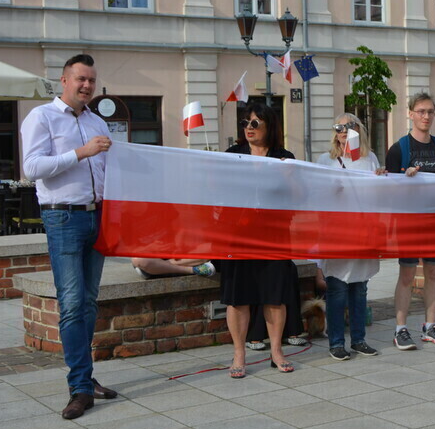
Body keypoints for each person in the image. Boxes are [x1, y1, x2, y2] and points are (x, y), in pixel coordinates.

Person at [20, 54, 117, 420]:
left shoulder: (96, 121)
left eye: (91, 80)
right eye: (80, 79)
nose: (87, 86)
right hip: (63, 218)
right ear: (63, 80)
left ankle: (86, 378)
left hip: (98, 217)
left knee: (89, 302)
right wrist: (81, 152)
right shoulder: (41, 117)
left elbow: (109, 168)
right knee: (73, 302)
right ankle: (79, 386)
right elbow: (31, 168)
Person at [218, 102, 300, 376]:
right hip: (238, 234)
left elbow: (297, 197)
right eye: (245, 123)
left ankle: (276, 351)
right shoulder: (233, 154)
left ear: (269, 125)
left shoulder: (284, 156)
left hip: (274, 234)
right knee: (238, 297)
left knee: (275, 296)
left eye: (255, 122)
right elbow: (220, 191)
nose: (248, 127)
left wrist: (290, 179)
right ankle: (239, 354)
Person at [384, 92, 435, 349]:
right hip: (409, 222)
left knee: (434, 273)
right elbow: (389, 189)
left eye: (430, 112)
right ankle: (400, 328)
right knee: (407, 275)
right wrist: (406, 179)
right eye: (421, 111)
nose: (426, 116)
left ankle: (430, 326)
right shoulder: (399, 148)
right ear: (410, 113)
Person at [315, 114, 384, 361]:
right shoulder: (326, 160)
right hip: (337, 232)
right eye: (339, 126)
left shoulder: (369, 159)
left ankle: (359, 340)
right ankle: (336, 342)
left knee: (360, 288)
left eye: (349, 125)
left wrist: (381, 178)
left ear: (359, 130)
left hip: (362, 231)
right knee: (337, 289)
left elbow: (377, 194)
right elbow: (317, 193)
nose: (344, 130)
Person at [132, 258, 216, 279]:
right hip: (156, 256)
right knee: (139, 260)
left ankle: (160, 266)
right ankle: (193, 270)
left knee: (210, 249)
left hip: (179, 253)